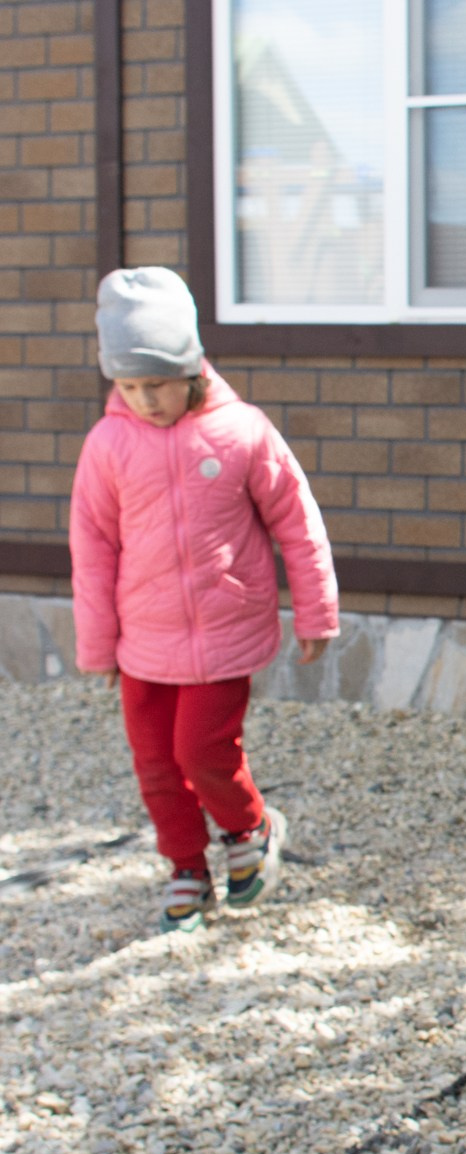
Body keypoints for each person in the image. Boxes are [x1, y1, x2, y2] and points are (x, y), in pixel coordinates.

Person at [68, 267, 338, 933]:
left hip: (224, 633)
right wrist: (98, 644)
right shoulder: (108, 445)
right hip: (143, 641)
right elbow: (92, 544)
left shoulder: (242, 431)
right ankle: (186, 866)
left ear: (190, 368)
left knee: (202, 751)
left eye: (156, 383)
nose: (144, 399)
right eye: (128, 386)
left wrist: (315, 610)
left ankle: (250, 827)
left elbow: (296, 521)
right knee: (156, 766)